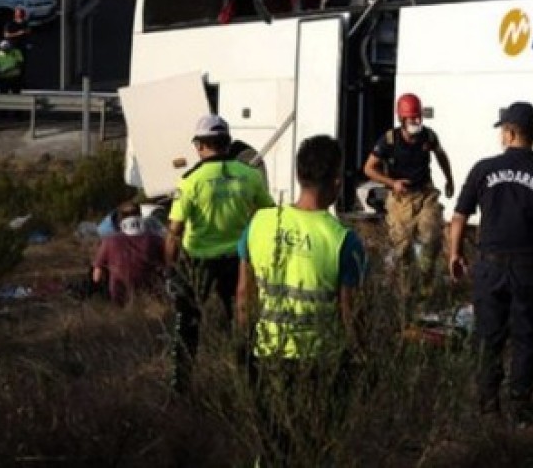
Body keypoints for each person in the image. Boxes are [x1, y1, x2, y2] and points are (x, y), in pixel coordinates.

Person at [237, 135, 366, 464]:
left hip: (268, 352)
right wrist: (360, 357)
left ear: (299, 175)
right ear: (336, 181)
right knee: (317, 445)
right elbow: (349, 311)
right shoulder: (343, 241)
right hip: (321, 359)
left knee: (270, 442)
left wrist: (244, 343)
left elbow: (243, 294)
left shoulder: (260, 223)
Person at [448, 102, 533, 424]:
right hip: (531, 268)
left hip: (490, 266)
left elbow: (458, 218)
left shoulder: (483, 170)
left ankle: (488, 405)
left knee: (489, 335)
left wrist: (454, 255)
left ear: (511, 132)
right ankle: (521, 404)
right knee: (527, 335)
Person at [165, 114, 275, 391]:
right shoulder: (249, 176)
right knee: (241, 324)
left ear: (201, 146)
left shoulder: (190, 181)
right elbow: (269, 215)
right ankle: (249, 383)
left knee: (188, 325)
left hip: (198, 262)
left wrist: (169, 268)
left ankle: (182, 385)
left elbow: (174, 232)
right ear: (227, 143)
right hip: (239, 262)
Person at [362, 92, 455, 285]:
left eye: (418, 116)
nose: (416, 121)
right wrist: (392, 183)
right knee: (401, 247)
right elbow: (369, 168)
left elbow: (440, 155)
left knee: (431, 236)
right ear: (402, 119)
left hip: (425, 194)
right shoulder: (388, 141)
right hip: (400, 199)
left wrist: (449, 179)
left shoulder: (428, 136)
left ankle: (425, 284)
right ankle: (404, 289)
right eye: (411, 117)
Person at [92, 214, 165, 305]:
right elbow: (167, 265)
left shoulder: (109, 241)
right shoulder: (156, 240)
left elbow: (96, 276)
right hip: (151, 295)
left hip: (119, 297)